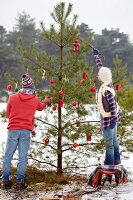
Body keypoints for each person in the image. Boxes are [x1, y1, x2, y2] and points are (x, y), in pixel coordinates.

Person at [2, 73, 52, 190]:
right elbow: (40, 107)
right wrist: (45, 101)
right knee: (22, 158)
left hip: (13, 130)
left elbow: (8, 114)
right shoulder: (34, 100)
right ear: (31, 87)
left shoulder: (12, 97)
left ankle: (5, 181)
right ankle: (20, 183)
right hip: (26, 131)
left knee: (8, 156)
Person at [93, 48, 121, 166]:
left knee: (109, 143)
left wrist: (113, 120)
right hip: (110, 118)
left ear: (101, 78)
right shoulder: (106, 81)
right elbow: (101, 69)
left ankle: (109, 164)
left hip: (109, 120)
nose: (98, 76)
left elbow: (113, 107)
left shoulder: (107, 90)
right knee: (114, 141)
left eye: (99, 76)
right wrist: (96, 57)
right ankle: (117, 161)